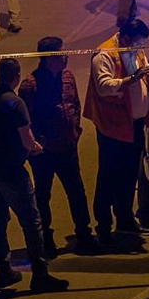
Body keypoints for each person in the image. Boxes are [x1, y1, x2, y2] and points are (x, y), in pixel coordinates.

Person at [0, 58, 70, 292]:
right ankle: (40, 274)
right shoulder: (15, 103)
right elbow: (27, 139)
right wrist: (37, 147)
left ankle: (4, 270)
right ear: (17, 76)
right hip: (11, 169)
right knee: (32, 222)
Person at [19, 37, 101, 257]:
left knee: (77, 192)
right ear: (48, 58)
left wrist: (74, 131)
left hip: (67, 147)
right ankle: (45, 240)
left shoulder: (67, 77)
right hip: (44, 152)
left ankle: (84, 235)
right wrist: (39, 142)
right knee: (42, 195)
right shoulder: (30, 85)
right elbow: (25, 120)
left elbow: (75, 105)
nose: (65, 57)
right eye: (60, 53)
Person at [83, 19, 149, 244]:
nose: (139, 47)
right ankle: (104, 226)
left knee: (128, 175)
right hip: (113, 126)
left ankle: (125, 219)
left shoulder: (134, 50)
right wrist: (132, 79)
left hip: (134, 124)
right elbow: (104, 86)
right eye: (137, 42)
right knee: (108, 176)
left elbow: (142, 78)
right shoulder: (104, 55)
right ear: (125, 38)